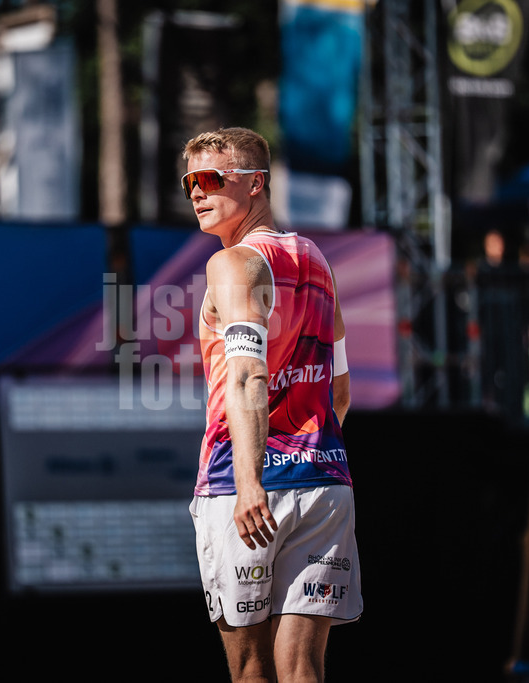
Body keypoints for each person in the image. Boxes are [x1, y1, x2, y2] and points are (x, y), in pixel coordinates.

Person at [181, 127, 362, 682]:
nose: (196, 192)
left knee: (251, 669)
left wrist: (252, 479)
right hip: (324, 481)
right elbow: (340, 391)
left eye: (212, 178)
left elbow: (246, 376)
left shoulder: (232, 264)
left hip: (245, 485)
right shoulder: (317, 262)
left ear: (255, 184)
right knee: (304, 666)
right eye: (189, 181)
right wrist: (306, 455)